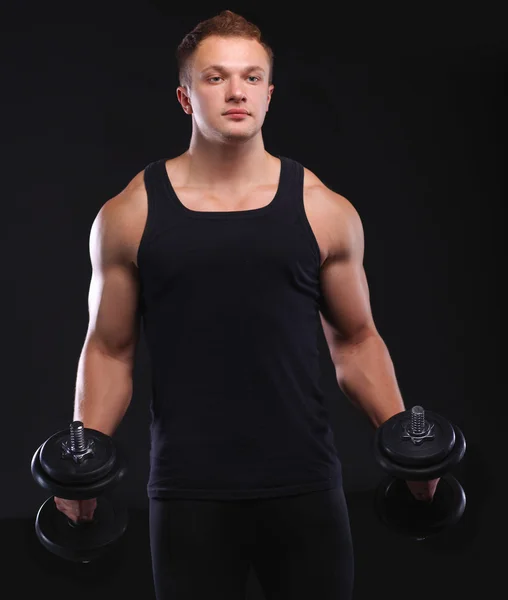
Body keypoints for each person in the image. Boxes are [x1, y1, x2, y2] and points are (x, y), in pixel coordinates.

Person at [54, 10, 439, 600]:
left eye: (252, 77)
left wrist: (406, 445)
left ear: (269, 93)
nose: (237, 91)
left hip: (306, 485)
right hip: (187, 492)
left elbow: (357, 339)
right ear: (185, 97)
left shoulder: (322, 208)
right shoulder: (130, 214)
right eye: (215, 77)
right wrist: (83, 462)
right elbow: (108, 349)